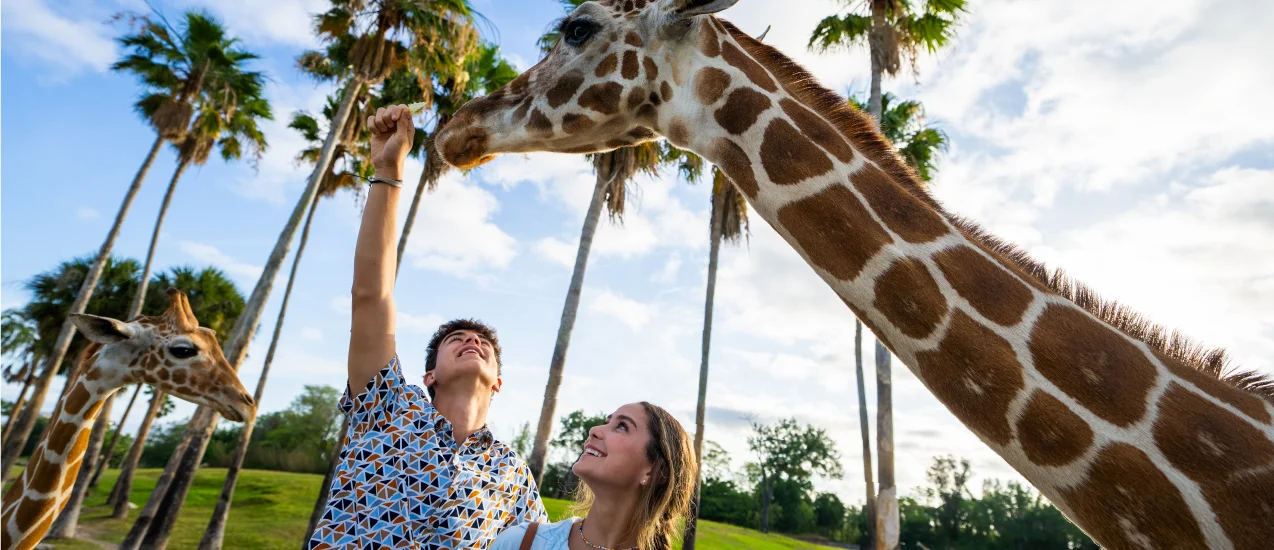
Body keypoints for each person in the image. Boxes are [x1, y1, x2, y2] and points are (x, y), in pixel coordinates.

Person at [307, 104, 548, 549]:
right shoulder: (387, 407)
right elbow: (370, 296)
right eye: (456, 339)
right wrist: (389, 167)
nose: (473, 341)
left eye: (483, 344)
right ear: (429, 376)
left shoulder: (513, 474)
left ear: (498, 383)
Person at [489, 402, 697, 550]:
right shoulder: (521, 542)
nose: (595, 430)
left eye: (622, 426)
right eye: (606, 422)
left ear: (653, 471)